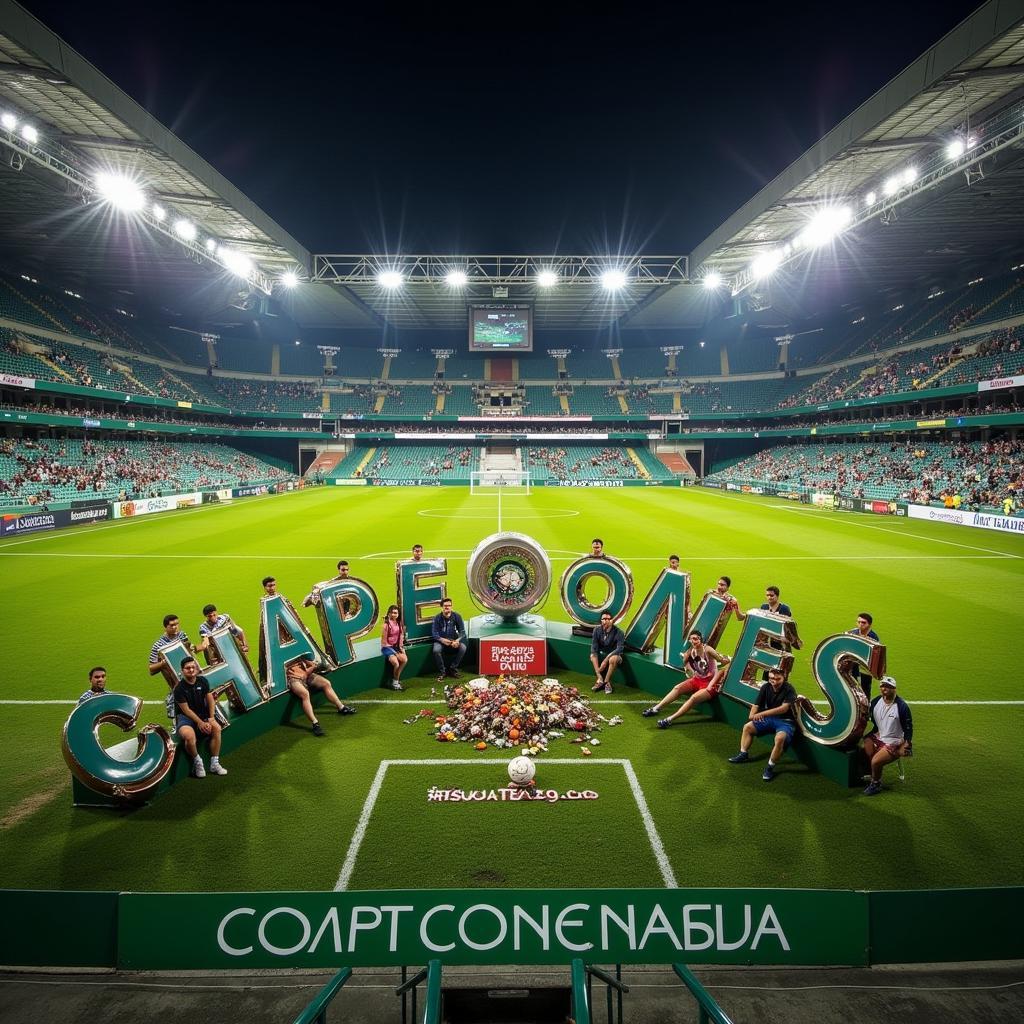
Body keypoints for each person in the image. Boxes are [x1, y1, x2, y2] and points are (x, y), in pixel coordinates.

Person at [643, 630, 731, 726]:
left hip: (710, 684)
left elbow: (722, 661)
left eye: (695, 639)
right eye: (691, 639)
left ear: (700, 639)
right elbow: (687, 665)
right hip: (697, 680)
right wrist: (688, 667)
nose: (693, 641)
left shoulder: (708, 650)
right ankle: (656, 708)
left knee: (693, 698)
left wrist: (729, 663)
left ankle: (669, 720)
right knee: (677, 688)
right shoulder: (690, 652)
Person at [727, 666, 798, 782]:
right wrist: (752, 715)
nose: (774, 681)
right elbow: (756, 704)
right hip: (770, 719)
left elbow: (784, 709)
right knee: (748, 727)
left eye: (777, 679)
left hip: (785, 721)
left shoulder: (789, 689)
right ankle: (743, 753)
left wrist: (763, 714)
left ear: (784, 677)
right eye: (771, 678)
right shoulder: (766, 687)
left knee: (780, 738)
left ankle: (770, 767)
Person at [173, 656, 226, 777]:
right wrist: (200, 723)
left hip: (203, 715)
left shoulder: (202, 681)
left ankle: (214, 763)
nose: (191, 670)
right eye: (188, 668)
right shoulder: (179, 689)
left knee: (216, 728)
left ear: (196, 668)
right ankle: (198, 762)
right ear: (182, 671)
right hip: (186, 718)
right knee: (189, 736)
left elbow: (210, 698)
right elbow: (186, 710)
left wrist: (211, 718)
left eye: (193, 667)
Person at [861, 676, 913, 796]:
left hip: (894, 741)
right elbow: (871, 717)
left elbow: (909, 727)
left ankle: (876, 783)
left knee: (875, 761)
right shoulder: (875, 702)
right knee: (864, 748)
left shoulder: (901, 706)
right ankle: (873, 774)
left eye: (889, 687)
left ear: (895, 689)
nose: (885, 689)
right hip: (879, 735)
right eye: (883, 686)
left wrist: (907, 742)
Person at [286, 655, 356, 737]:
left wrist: (313, 665)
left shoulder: (295, 646)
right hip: (293, 678)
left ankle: (341, 708)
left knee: (326, 683)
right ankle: (315, 723)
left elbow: (305, 662)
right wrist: (311, 667)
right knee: (305, 694)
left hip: (306, 674)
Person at [432, 598, 467, 682]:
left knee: (463, 647)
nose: (447, 607)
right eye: (445, 606)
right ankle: (442, 671)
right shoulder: (437, 618)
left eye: (449, 606)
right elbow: (434, 633)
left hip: (453, 641)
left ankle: (453, 668)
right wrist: (442, 640)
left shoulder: (457, 616)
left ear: (451, 606)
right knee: (436, 650)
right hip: (440, 641)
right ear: (442, 607)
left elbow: (462, 632)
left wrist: (457, 640)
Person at [590, 611, 624, 693]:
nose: (606, 621)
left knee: (613, 659)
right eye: (604, 619)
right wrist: (598, 671)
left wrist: (606, 659)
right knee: (592, 656)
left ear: (612, 620)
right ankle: (600, 679)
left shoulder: (619, 632)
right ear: (601, 620)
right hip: (603, 654)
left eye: (608, 619)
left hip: (615, 655)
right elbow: (594, 647)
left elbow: (620, 649)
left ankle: (606, 682)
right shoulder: (597, 630)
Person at [848, 612, 880, 698]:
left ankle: (865, 710)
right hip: (853, 667)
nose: (860, 624)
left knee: (865, 691)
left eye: (863, 622)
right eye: (858, 622)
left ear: (870, 624)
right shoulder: (853, 633)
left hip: (865, 669)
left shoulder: (873, 638)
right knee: (852, 689)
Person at [381, 603, 407, 691]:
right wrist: (394, 653)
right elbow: (384, 642)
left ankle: (395, 680)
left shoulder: (399, 624)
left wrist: (401, 648)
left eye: (395, 613)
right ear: (389, 613)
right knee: (396, 663)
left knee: (404, 659)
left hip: (396, 647)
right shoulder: (386, 625)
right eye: (392, 612)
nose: (393, 614)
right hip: (387, 648)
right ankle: (395, 683)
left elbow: (401, 637)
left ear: (398, 614)